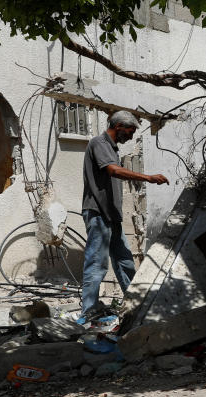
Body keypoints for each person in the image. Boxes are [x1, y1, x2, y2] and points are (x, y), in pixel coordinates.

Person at [79, 110, 169, 323]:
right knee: (97, 263)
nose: (130, 136)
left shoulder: (112, 148)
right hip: (98, 213)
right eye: (129, 131)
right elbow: (113, 171)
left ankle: (135, 306)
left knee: (125, 262)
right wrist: (147, 177)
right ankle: (88, 311)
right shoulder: (99, 143)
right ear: (118, 126)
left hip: (112, 215)